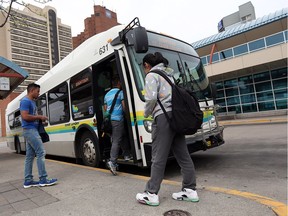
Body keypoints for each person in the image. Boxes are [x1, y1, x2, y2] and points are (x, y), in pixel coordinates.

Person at [136, 52, 199, 206]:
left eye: (144, 68)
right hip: (176, 118)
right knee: (183, 155)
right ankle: (190, 190)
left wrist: (146, 114)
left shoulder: (152, 75)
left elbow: (151, 98)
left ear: (146, 65)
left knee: (158, 156)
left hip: (163, 118)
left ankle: (151, 193)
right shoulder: (168, 75)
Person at [20, 83, 57, 188]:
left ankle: (28, 180)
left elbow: (31, 116)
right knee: (41, 152)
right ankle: (43, 179)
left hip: (32, 129)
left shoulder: (32, 102)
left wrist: (40, 120)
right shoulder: (25, 101)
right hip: (30, 130)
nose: (38, 93)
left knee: (30, 156)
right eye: (37, 91)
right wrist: (39, 117)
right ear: (32, 91)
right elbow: (25, 116)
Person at [104, 76, 131, 175]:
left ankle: (127, 154)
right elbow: (124, 106)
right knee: (117, 140)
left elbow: (106, 109)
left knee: (122, 135)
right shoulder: (120, 93)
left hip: (111, 120)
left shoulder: (106, 95)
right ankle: (112, 161)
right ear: (119, 83)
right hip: (119, 119)